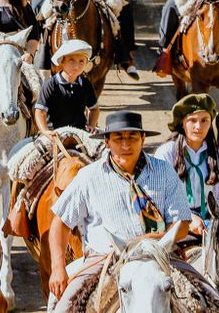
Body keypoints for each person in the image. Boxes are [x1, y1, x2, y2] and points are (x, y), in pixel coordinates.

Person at [47, 111, 190, 305]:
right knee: (64, 305)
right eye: (118, 138)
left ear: (143, 139)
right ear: (106, 142)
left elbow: (181, 224)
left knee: (212, 301)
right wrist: (58, 267)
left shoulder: (164, 171)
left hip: (160, 257)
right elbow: (60, 223)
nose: (126, 145)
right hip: (103, 261)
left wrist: (145, 241)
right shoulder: (88, 176)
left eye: (132, 137)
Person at [153, 94, 219, 234]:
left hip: (210, 220)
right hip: (173, 220)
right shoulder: (167, 153)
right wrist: (188, 219)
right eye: (192, 120)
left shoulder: (215, 155)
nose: (198, 126)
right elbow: (159, 199)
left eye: (204, 120)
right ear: (182, 123)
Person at [35, 39, 99, 133]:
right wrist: (45, 131)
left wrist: (91, 125)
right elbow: (40, 111)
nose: (76, 66)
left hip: (79, 132)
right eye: (71, 60)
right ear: (62, 61)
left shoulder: (86, 84)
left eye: (81, 61)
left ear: (86, 63)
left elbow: (94, 109)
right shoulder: (51, 85)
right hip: (54, 133)